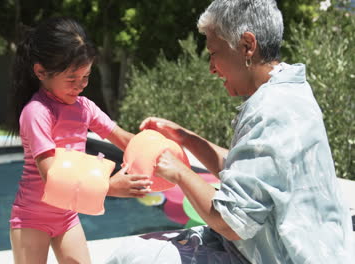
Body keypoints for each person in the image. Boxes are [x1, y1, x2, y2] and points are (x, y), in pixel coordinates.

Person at [106, 0, 355, 263]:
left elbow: (231, 222)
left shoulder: (271, 110)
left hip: (285, 257)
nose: (211, 67)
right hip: (304, 248)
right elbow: (248, 172)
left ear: (247, 45)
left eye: (214, 53)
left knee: (134, 258)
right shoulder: (290, 89)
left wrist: (180, 172)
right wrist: (186, 138)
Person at [6, 17, 152, 264]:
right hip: (31, 218)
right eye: (72, 79)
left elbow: (124, 139)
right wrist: (109, 185)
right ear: (41, 72)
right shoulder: (37, 112)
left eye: (86, 76)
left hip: (66, 217)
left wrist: (157, 148)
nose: (80, 86)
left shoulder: (85, 108)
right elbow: (51, 175)